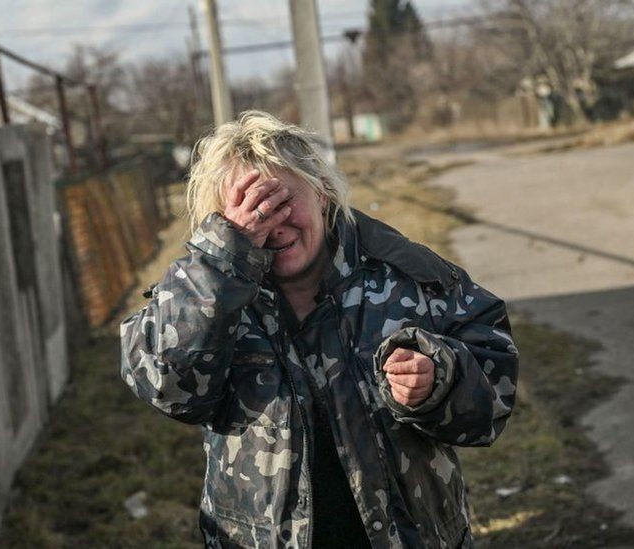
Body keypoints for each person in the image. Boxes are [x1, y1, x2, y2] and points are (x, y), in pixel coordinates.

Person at [119, 111, 519, 548]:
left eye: (279, 201)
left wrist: (439, 379)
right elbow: (167, 387)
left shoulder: (404, 276)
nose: (270, 225)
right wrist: (223, 257)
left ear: (323, 192)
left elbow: (494, 381)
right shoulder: (204, 292)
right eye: (248, 213)